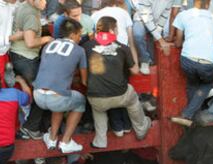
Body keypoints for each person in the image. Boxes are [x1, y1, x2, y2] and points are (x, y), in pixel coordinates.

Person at [84, 16, 151, 148]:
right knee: (132, 98)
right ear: (112, 30)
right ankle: (141, 128)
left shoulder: (86, 46)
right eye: (117, 28)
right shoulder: (122, 48)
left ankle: (100, 140)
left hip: (96, 98)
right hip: (120, 95)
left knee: (98, 108)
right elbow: (135, 71)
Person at [33, 18, 88, 154]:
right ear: (73, 34)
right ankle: (66, 141)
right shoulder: (79, 50)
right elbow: (84, 80)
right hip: (57, 99)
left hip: (38, 96)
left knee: (60, 100)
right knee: (80, 101)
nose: (80, 38)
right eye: (79, 34)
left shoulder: (47, 46)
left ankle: (52, 138)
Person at [171, 0, 213, 122]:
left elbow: (178, 43)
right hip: (209, 63)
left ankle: (192, 117)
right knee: (207, 84)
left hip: (188, 61)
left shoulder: (183, 15)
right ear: (209, 3)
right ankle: (187, 114)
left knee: (192, 85)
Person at [10, 0, 53, 140]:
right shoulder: (31, 15)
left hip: (17, 55)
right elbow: (30, 43)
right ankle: (31, 127)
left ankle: (40, 126)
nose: (45, 2)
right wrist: (47, 38)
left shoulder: (23, 6)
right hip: (26, 58)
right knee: (45, 92)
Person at [132, 0, 176, 74]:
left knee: (153, 58)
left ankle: (150, 60)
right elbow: (147, 19)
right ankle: (144, 60)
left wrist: (158, 31)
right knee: (138, 34)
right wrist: (160, 39)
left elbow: (164, 16)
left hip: (155, 22)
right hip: (141, 20)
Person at [91, 0, 138, 68]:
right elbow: (131, 42)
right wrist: (136, 65)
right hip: (122, 54)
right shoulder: (124, 13)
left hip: (101, 55)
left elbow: (92, 37)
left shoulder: (94, 15)